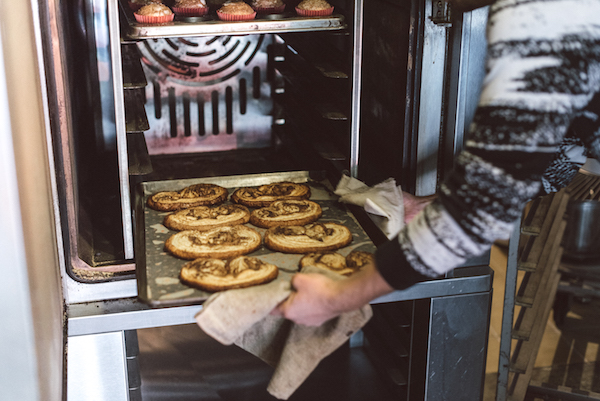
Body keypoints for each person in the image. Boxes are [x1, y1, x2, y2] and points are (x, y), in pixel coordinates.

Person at [275, 0, 600, 326]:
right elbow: (562, 148)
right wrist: (433, 204)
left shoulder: (548, 12)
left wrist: (337, 297)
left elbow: (484, 204)